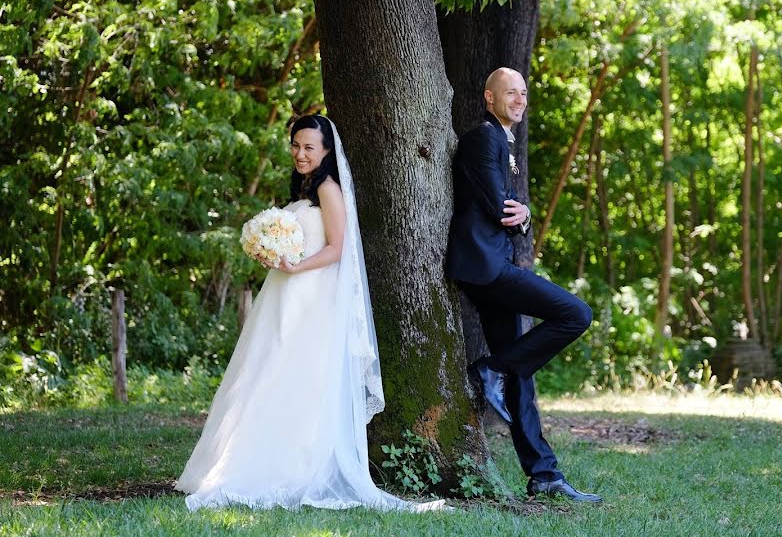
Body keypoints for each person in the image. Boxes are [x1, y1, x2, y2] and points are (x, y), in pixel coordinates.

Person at [176, 115, 443, 512]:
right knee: (263, 372)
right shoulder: (304, 189)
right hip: (285, 292)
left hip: (311, 294)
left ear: (326, 151)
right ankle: (239, 460)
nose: (301, 154)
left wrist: (297, 266)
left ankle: (290, 467)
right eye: (296, 146)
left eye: (309, 148)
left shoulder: (330, 189)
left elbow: (338, 248)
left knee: (294, 375)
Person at [446, 68, 602, 503]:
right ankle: (490, 369)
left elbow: (516, 212)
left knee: (522, 372)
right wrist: (519, 214)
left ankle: (543, 474)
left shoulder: (504, 141)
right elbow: (502, 209)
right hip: (487, 267)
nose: (518, 98)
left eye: (523, 92)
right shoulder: (484, 138)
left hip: (490, 264)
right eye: (509, 92)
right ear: (489, 97)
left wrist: (526, 213)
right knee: (576, 313)